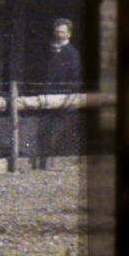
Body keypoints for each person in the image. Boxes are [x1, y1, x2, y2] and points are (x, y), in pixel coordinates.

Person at [36, 19, 84, 168]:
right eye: (57, 31)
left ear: (69, 34)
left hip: (63, 96)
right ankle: (44, 161)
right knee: (46, 128)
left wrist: (69, 95)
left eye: (62, 32)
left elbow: (74, 76)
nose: (59, 34)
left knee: (62, 129)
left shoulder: (72, 53)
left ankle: (61, 161)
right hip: (48, 95)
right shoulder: (49, 51)